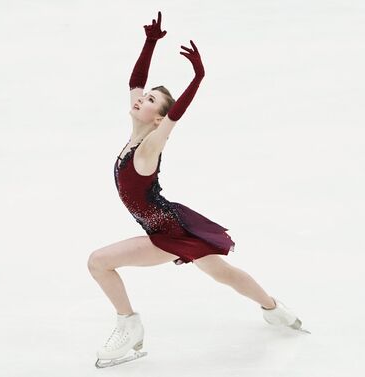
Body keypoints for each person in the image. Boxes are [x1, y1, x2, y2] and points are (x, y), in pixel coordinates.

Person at [88, 11, 308, 368]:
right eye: (142, 97)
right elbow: (136, 82)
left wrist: (198, 78)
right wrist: (149, 43)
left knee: (98, 262)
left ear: (157, 118)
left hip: (166, 231)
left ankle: (129, 325)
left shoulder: (149, 146)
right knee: (222, 273)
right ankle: (273, 308)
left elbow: (174, 118)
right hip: (165, 221)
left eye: (149, 101)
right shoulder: (136, 132)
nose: (140, 99)